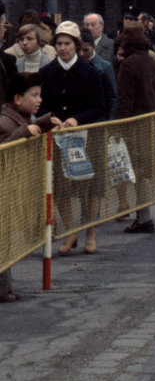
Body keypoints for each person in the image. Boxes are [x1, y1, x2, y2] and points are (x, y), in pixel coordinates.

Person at [0, 72, 77, 301]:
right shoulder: (5, 121)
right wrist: (28, 131)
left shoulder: (19, 117)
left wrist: (43, 123)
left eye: (39, 95)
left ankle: (5, 287)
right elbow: (5, 147)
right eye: (34, 95)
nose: (39, 99)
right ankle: (3, 289)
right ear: (17, 99)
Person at [40, 21, 106, 256]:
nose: (63, 48)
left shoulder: (90, 73)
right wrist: (50, 119)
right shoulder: (46, 73)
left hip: (86, 136)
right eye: (59, 43)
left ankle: (90, 233)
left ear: (77, 46)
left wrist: (78, 118)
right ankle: (71, 231)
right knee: (60, 187)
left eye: (67, 43)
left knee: (89, 187)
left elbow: (99, 106)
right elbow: (40, 106)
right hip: (57, 139)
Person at [115, 24, 155, 234]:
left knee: (137, 170)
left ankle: (144, 218)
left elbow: (124, 101)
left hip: (134, 125)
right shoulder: (153, 62)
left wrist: (120, 127)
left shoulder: (128, 65)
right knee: (146, 170)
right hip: (153, 123)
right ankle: (144, 216)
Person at [79, 31, 117, 122]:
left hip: (99, 120)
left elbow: (113, 98)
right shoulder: (76, 65)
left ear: (94, 47)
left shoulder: (105, 67)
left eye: (85, 50)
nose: (81, 54)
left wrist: (111, 122)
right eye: (79, 49)